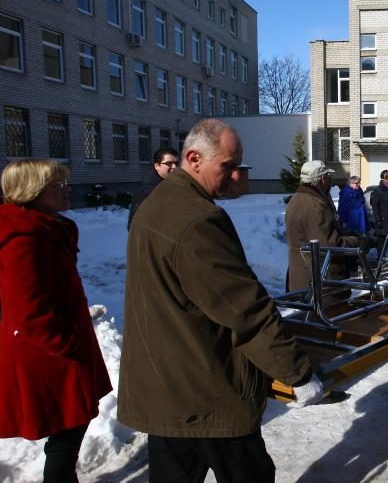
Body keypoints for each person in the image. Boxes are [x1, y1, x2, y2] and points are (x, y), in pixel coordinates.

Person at [119, 120, 325, 482]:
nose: (234, 177)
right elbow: (244, 309)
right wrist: (298, 372)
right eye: (227, 167)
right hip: (208, 393)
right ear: (194, 158)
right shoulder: (198, 219)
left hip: (166, 388)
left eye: (238, 166)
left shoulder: (156, 204)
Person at [0, 159, 112, 482]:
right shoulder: (23, 239)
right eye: (57, 185)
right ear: (31, 191)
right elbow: (28, 311)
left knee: (70, 428)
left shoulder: (47, 229)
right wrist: (69, 342)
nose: (67, 190)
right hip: (48, 355)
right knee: (67, 431)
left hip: (61, 349)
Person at [286, 160, 361, 295]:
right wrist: (355, 241)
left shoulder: (297, 198)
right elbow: (328, 245)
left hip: (302, 277)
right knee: (329, 315)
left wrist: (342, 233)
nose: (330, 182)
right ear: (322, 179)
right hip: (320, 282)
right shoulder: (315, 205)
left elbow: (314, 233)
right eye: (328, 177)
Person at [127, 147, 179, 230]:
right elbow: (135, 227)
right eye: (169, 163)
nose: (174, 167)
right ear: (157, 166)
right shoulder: (147, 192)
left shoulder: (174, 186)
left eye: (177, 163)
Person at [370, 169, 388, 252]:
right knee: (382, 242)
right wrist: (378, 220)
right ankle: (380, 259)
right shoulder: (378, 190)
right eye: (387, 177)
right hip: (383, 220)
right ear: (383, 178)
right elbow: (375, 206)